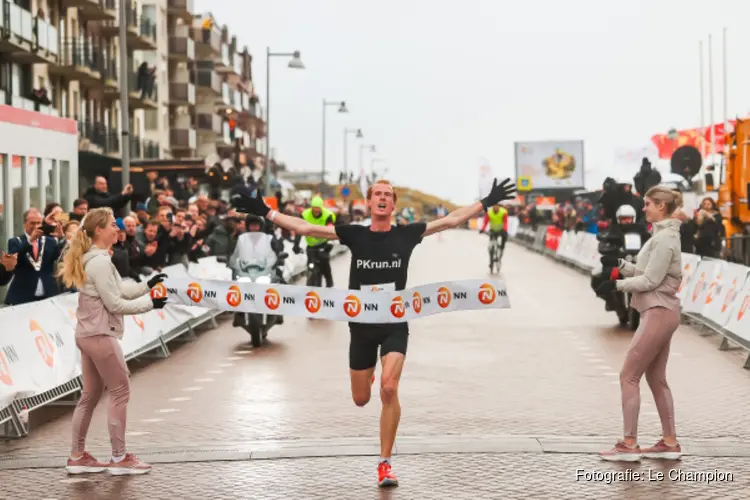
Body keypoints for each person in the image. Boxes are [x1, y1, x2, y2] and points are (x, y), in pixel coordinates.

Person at [231, 177, 516, 487]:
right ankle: (366, 375)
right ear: (369, 203)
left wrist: (486, 202)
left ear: (393, 205)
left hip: (394, 324)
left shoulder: (408, 234)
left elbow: (450, 220)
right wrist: (266, 211)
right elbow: (305, 228)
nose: (382, 198)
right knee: (361, 398)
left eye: (387, 195)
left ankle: (385, 463)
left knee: (389, 388)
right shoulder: (355, 234)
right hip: (362, 329)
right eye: (376, 194)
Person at [58, 207, 168, 476]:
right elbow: (115, 302)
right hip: (100, 334)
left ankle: (77, 456)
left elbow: (119, 289)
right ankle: (119, 458)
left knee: (90, 395)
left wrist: (146, 285)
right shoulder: (99, 262)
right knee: (120, 391)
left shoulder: (94, 258)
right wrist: (150, 304)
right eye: (111, 225)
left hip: (87, 334)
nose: (117, 229)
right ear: (98, 231)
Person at [594, 186, 684, 462]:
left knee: (628, 376)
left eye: (647, 204)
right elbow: (648, 273)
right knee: (656, 379)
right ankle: (669, 442)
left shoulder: (665, 238)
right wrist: (620, 264)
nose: (642, 208)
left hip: (658, 311)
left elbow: (650, 281)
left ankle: (629, 444)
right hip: (661, 311)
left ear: (660, 206)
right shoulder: (662, 236)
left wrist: (616, 284)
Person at [301, 196, 336, 287]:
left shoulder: (328, 215)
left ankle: (329, 282)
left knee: (325, 265)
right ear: (311, 207)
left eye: (318, 209)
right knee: (310, 266)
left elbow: (330, 230)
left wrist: (329, 244)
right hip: (311, 247)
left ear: (321, 208)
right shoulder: (305, 214)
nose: (316, 211)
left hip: (323, 245)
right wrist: (296, 244)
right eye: (314, 209)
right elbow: (298, 229)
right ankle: (309, 283)